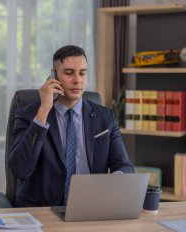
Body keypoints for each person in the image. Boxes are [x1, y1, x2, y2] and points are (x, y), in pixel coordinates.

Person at [8, 45, 134, 207]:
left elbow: (125, 166)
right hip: (42, 211)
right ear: (53, 75)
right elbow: (20, 169)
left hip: (91, 209)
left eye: (82, 73)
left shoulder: (105, 117)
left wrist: (115, 179)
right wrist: (43, 111)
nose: (77, 80)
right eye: (69, 73)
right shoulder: (28, 114)